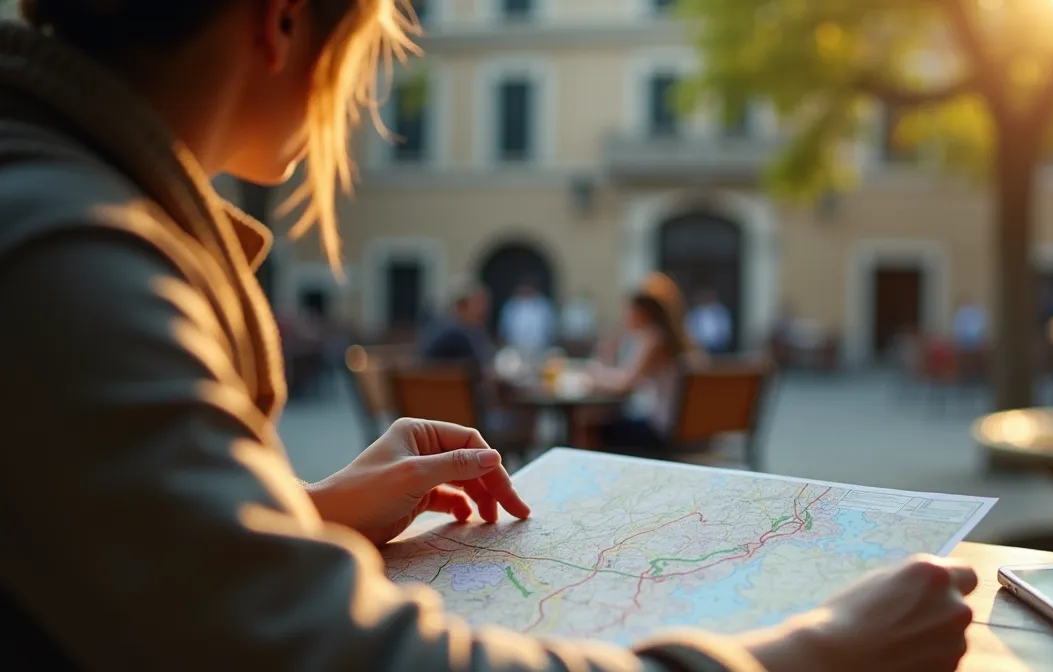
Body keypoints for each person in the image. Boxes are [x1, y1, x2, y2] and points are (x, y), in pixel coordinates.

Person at [0, 2, 977, 670]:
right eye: (368, 53)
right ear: (281, 20)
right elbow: (319, 655)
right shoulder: (68, 257)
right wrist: (811, 654)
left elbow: (123, 553)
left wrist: (311, 510)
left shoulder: (62, 214)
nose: (359, 97)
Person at [587, 273, 700, 450]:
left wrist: (593, 376)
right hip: (688, 433)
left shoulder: (655, 340)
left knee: (590, 427)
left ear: (644, 311)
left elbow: (626, 385)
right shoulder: (683, 340)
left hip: (662, 432)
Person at [417, 277, 494, 370]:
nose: (485, 309)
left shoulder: (441, 325)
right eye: (480, 301)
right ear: (463, 305)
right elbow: (481, 367)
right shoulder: (453, 335)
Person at [498, 281, 555, 355]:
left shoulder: (543, 305)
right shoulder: (510, 306)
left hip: (541, 350)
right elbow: (504, 331)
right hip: (515, 351)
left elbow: (551, 330)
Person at [686, 287, 733, 355]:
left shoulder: (721, 311)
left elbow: (725, 331)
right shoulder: (694, 313)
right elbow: (689, 332)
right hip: (699, 349)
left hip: (719, 349)